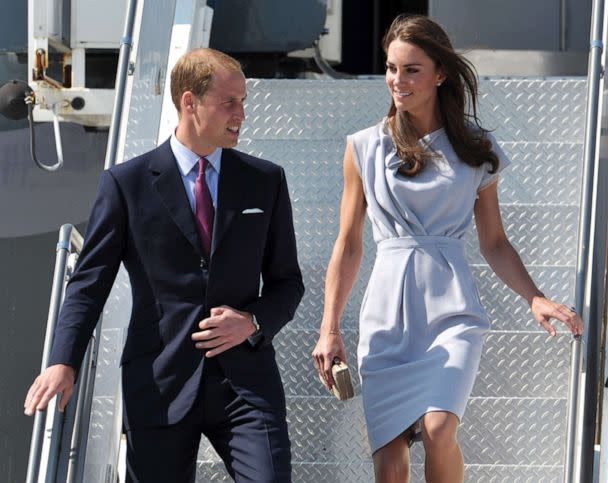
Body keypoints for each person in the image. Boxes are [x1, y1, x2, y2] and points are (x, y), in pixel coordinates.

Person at [312, 14, 583, 483]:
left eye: (412, 69)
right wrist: (329, 328)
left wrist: (534, 296)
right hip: (387, 317)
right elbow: (349, 244)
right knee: (391, 459)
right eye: (392, 68)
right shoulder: (363, 148)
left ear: (440, 74)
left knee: (439, 429)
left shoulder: (477, 148)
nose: (398, 81)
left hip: (453, 312)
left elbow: (494, 242)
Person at [24, 48, 304, 482]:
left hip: (245, 386)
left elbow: (288, 282)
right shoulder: (126, 183)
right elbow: (88, 283)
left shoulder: (265, 180)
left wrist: (252, 321)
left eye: (243, 101)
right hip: (159, 382)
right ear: (190, 102)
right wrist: (64, 361)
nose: (241, 113)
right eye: (229, 102)